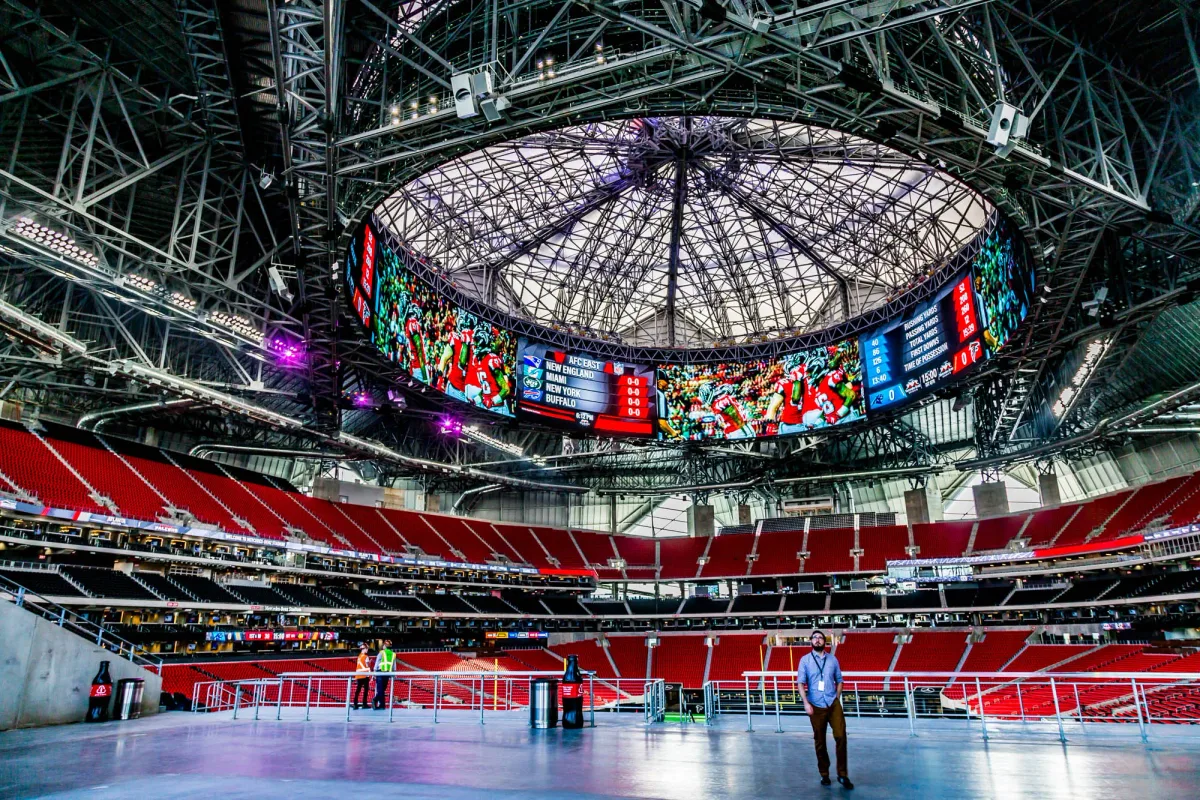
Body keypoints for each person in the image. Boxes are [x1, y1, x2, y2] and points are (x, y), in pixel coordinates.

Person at [798, 630, 853, 790]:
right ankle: (824, 774)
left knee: (841, 736)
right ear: (811, 641)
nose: (817, 640)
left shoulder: (832, 659)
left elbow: (840, 680)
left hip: (832, 703)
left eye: (820, 637)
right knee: (820, 741)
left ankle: (842, 774)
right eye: (814, 637)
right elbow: (800, 683)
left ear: (824, 641)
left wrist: (836, 696)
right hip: (815, 705)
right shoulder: (805, 660)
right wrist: (806, 703)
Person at [373, 640, 395, 710]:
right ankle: (381, 704)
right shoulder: (393, 654)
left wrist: (374, 672)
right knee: (382, 689)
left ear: (384, 646)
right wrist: (394, 673)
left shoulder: (381, 652)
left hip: (380, 672)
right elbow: (394, 665)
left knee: (380, 689)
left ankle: (376, 700)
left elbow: (377, 662)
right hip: (387, 673)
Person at [352, 644, 372, 710]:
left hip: (358, 675)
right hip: (364, 675)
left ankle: (355, 704)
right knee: (365, 690)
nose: (367, 650)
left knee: (358, 690)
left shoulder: (359, 656)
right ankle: (364, 704)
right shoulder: (366, 657)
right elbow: (367, 665)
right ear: (364, 649)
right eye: (366, 649)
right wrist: (370, 663)